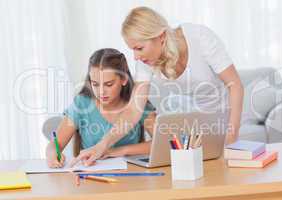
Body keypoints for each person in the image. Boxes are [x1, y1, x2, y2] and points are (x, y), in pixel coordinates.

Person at [71, 6, 244, 167]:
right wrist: (102, 145)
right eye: (132, 49)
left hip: (220, 121)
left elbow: (235, 85)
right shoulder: (146, 62)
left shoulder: (200, 38)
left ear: (161, 37)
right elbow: (133, 110)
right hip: (189, 129)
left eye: (139, 48)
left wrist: (231, 132)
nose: (136, 57)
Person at [46, 48, 156, 168]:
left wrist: (116, 151)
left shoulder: (139, 102)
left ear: (124, 79)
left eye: (109, 84)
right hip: (91, 177)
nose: (101, 92)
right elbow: (55, 144)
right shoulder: (82, 104)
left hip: (133, 175)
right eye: (95, 84)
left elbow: (161, 143)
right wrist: (52, 153)